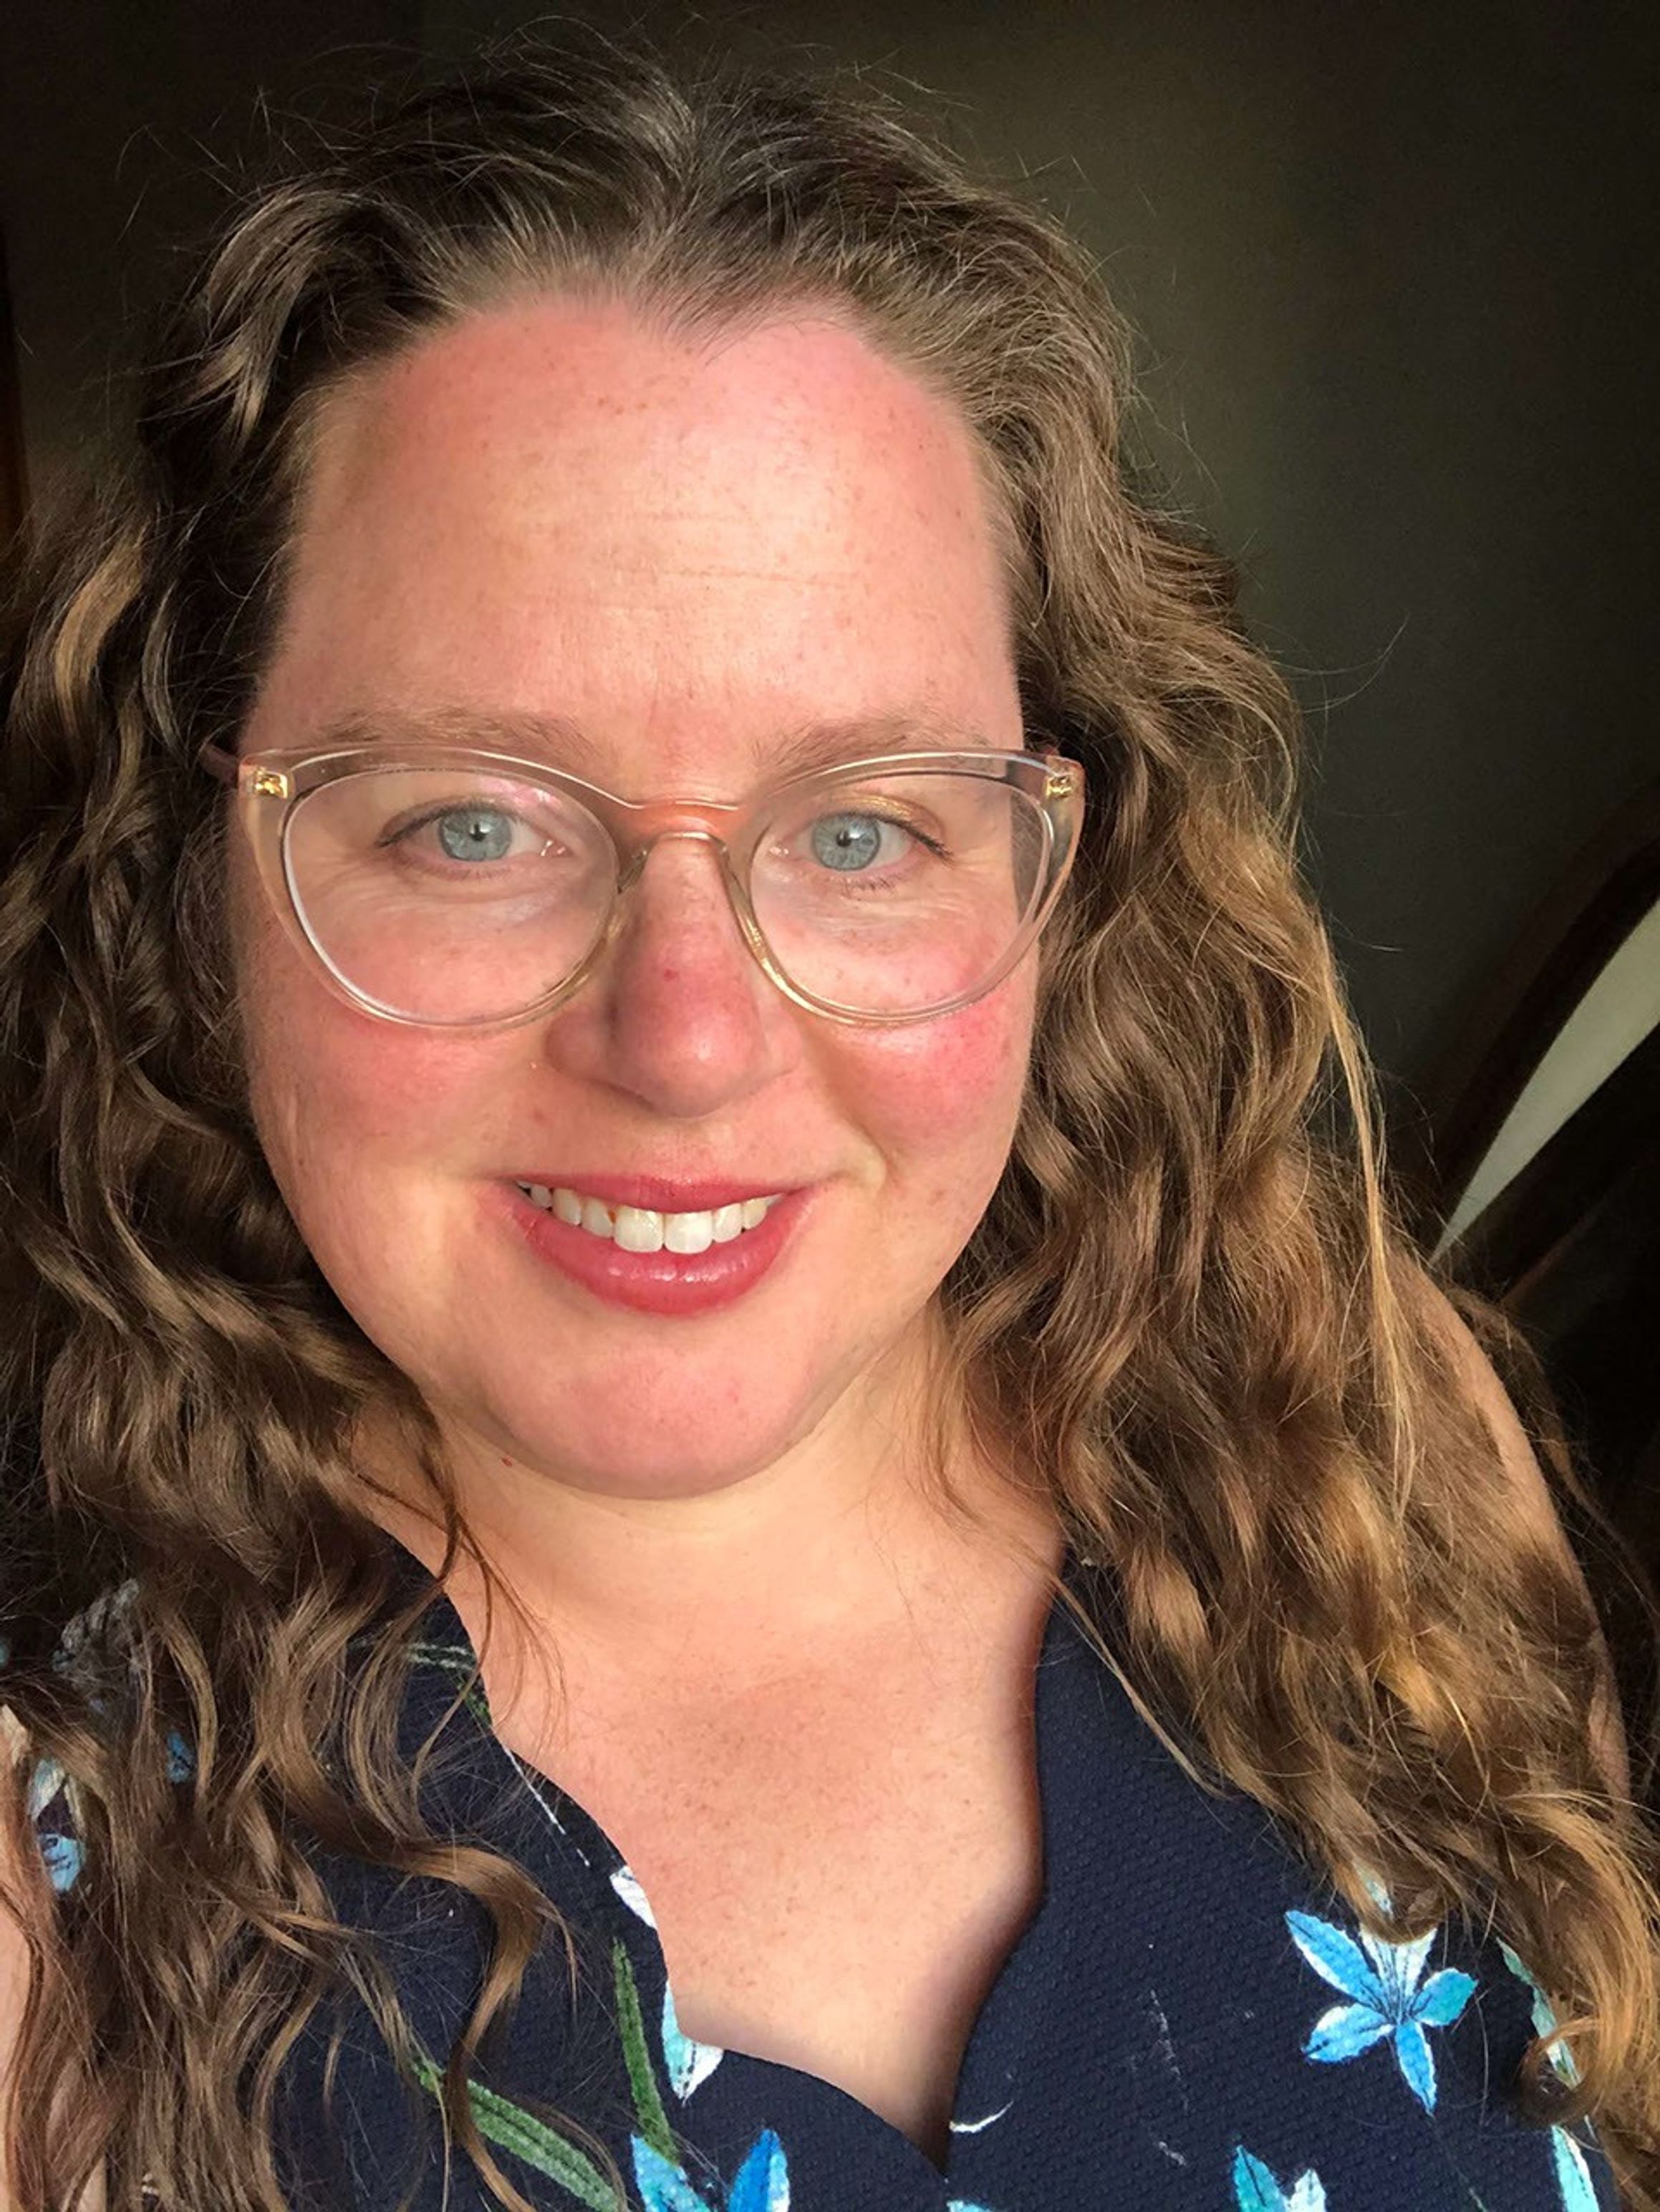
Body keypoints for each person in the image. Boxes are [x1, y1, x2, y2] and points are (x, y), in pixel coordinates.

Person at [1, 34, 1655, 2212]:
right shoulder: (63, 1930)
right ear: (200, 886)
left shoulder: (1363, 1451)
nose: (685, 1040)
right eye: (476, 822)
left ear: (1059, 869)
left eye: (864, 830)